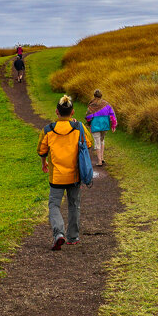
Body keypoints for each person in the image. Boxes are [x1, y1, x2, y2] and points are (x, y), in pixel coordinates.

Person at [37, 95, 94, 250]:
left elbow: (41, 150)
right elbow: (88, 143)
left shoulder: (48, 130)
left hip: (56, 176)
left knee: (54, 205)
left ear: (57, 112)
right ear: (72, 112)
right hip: (75, 175)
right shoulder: (78, 127)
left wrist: (44, 163)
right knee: (74, 204)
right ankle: (73, 236)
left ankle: (58, 233)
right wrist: (78, 127)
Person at [84, 89, 117, 166]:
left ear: (94, 95)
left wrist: (89, 123)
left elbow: (88, 116)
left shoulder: (92, 105)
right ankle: (102, 158)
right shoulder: (106, 104)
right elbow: (112, 115)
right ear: (101, 95)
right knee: (102, 140)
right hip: (105, 125)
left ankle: (99, 161)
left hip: (95, 125)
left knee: (97, 141)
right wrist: (113, 125)